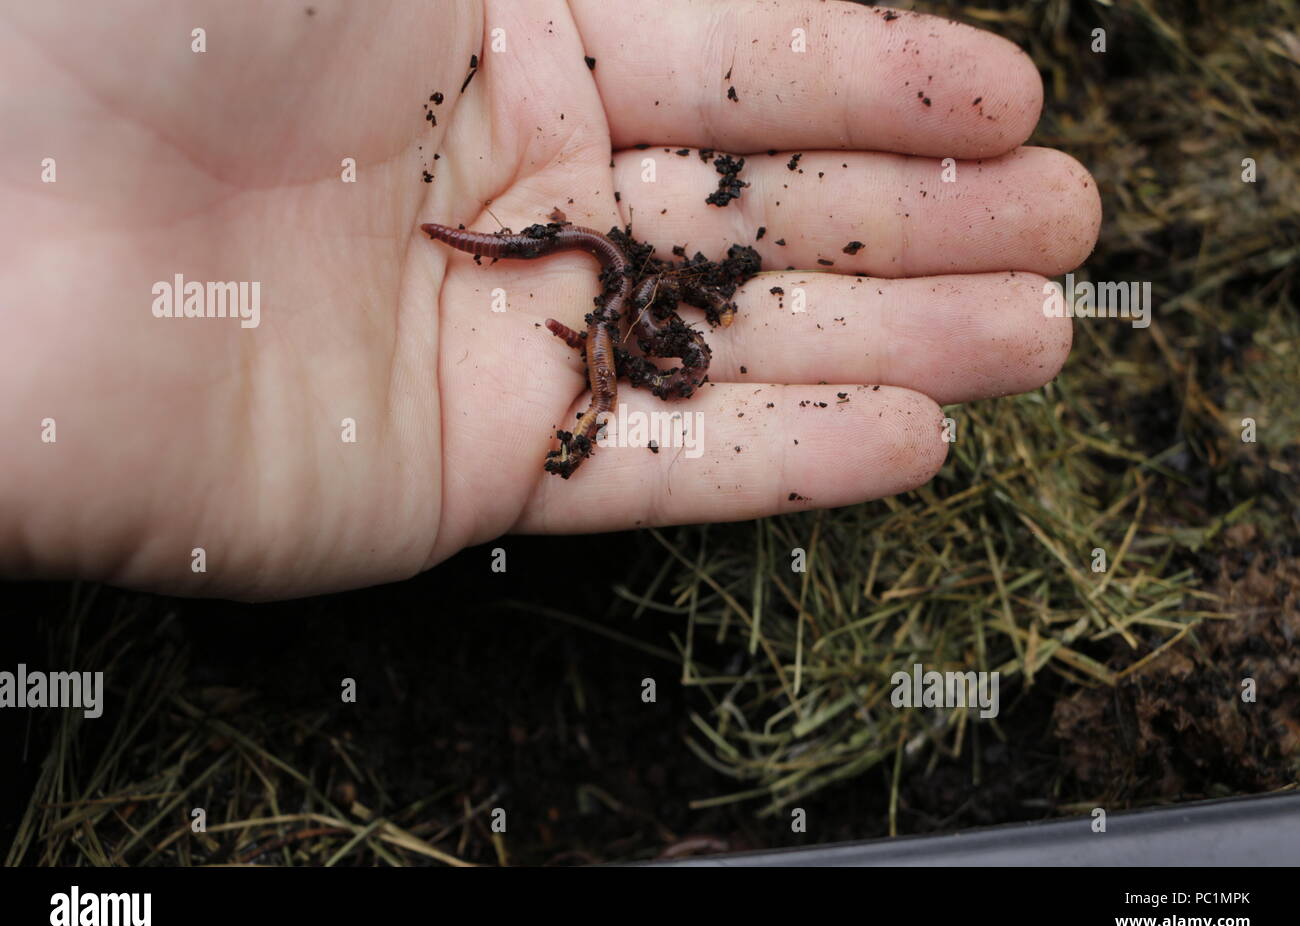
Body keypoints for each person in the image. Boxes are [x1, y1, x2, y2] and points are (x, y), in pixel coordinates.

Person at [0, 0, 1100, 599]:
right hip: (602, 272)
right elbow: (591, 271)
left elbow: (616, 304)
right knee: (583, 258)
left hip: (612, 284)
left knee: (597, 266)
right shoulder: (612, 300)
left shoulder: (630, 321)